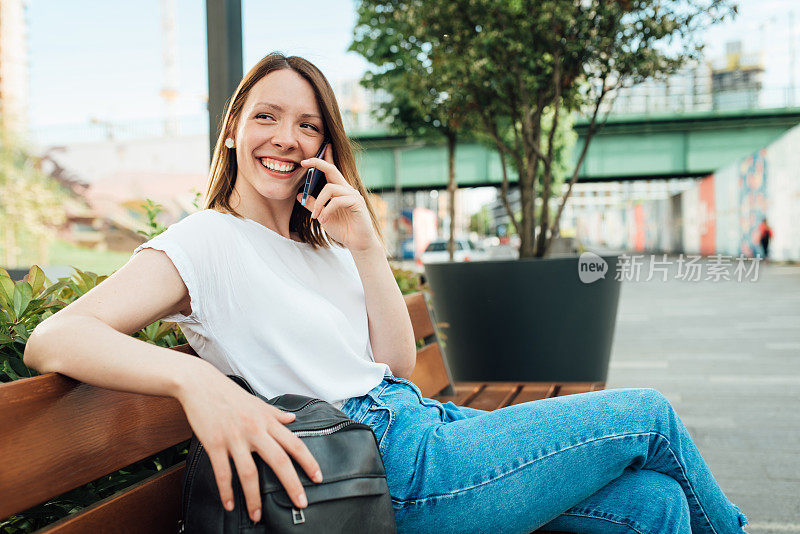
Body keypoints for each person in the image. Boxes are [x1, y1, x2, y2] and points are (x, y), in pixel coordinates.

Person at [23, 52, 749, 533]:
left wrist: (364, 243)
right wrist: (192, 380)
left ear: (325, 148)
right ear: (233, 134)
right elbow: (53, 337)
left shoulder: (324, 242)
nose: (286, 137)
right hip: (380, 466)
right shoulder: (204, 241)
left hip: (425, 428)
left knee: (653, 506)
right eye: (267, 117)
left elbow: (395, 366)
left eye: (308, 125)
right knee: (648, 417)